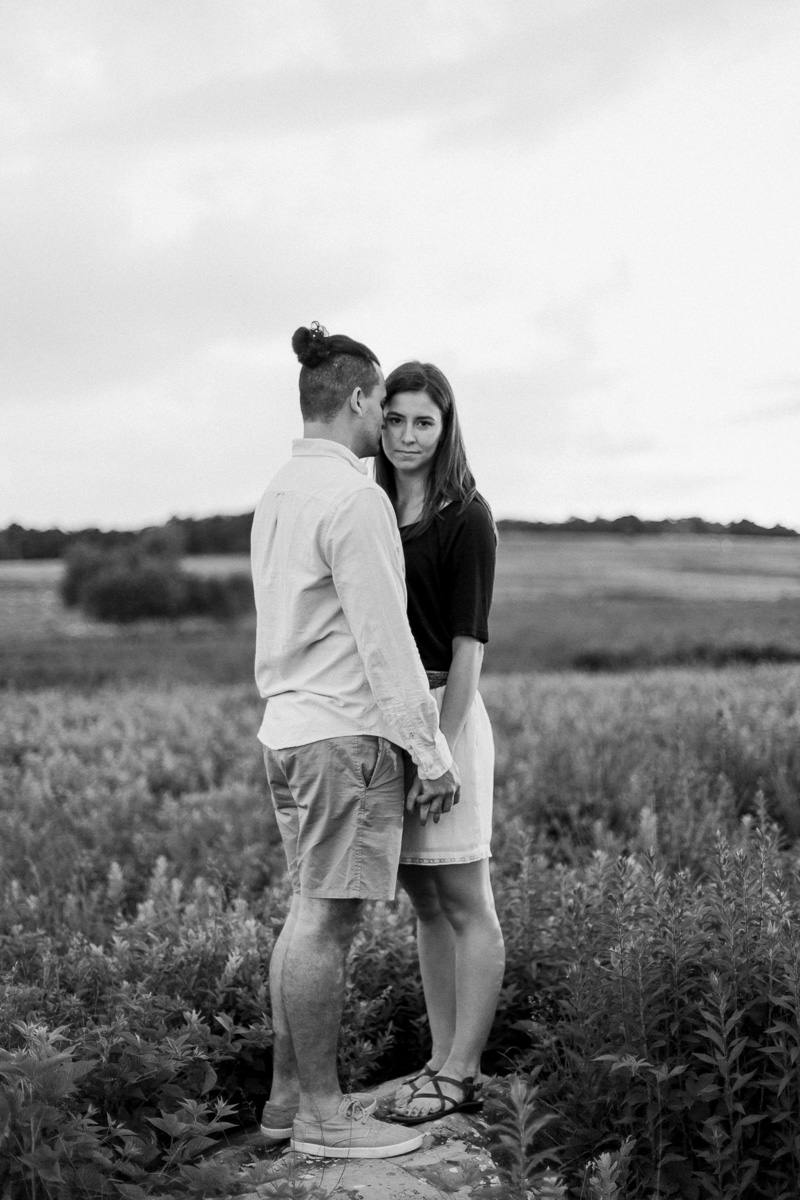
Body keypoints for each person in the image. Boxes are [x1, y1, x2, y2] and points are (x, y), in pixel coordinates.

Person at [251, 324, 461, 1159]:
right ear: (363, 399)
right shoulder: (355, 497)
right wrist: (431, 753)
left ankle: (282, 1101)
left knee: (303, 917)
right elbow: (385, 642)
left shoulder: (277, 492)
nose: (388, 426)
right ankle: (324, 1116)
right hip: (345, 736)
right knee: (325, 927)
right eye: (382, 407)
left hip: (290, 731)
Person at [374, 360, 505, 1124]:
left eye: (425, 421)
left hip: (442, 712)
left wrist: (439, 750)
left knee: (464, 896)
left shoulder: (467, 515)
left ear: (446, 427)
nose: (409, 436)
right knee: (424, 899)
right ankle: (437, 1058)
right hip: (388, 716)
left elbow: (469, 647)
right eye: (396, 419)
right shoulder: (373, 506)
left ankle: (463, 1072)